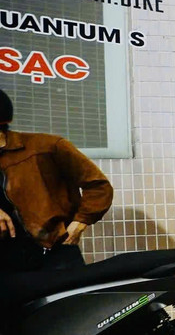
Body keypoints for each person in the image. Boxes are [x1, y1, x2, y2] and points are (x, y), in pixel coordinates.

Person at [0, 87, 113, 273]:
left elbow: (99, 187)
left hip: (54, 255)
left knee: (69, 302)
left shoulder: (46, 147)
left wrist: (80, 223)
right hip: (6, 263)